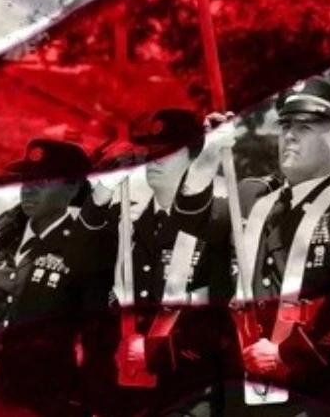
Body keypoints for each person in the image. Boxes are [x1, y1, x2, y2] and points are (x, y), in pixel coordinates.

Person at [177, 77, 330, 416]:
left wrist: (288, 354)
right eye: (286, 125)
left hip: (311, 392)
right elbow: (189, 218)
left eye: (304, 127)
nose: (289, 135)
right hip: (240, 390)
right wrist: (208, 155)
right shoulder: (250, 198)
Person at [79, 109, 236, 417]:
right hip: (119, 391)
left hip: (187, 393)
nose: (154, 161)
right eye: (150, 152)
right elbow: (79, 251)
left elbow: (223, 316)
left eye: (166, 153)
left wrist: (158, 353)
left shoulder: (220, 221)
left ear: (194, 159)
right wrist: (104, 185)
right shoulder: (127, 221)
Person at [0, 139, 115, 417]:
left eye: (43, 180)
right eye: (27, 179)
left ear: (73, 187)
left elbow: (96, 337)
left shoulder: (85, 248)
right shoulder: (0, 241)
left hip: (45, 399)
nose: (29, 188)